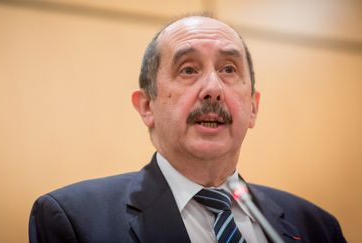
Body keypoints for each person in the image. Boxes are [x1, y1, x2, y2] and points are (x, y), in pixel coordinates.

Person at [29, 15, 346, 243]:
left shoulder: (316, 226)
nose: (213, 88)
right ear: (147, 106)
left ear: (253, 108)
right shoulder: (75, 220)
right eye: (189, 69)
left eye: (228, 69)